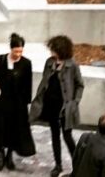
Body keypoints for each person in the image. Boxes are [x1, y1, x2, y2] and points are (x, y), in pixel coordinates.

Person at [32, 35, 82, 177]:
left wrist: (75, 101)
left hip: (65, 107)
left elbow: (80, 84)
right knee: (54, 135)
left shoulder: (72, 65)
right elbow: (45, 81)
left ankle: (77, 164)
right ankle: (58, 165)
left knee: (67, 136)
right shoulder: (49, 62)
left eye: (54, 49)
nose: (51, 52)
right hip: (51, 105)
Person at [0, 35, 35, 171]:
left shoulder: (26, 63)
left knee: (14, 130)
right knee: (0, 128)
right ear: (11, 49)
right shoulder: (0, 60)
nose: (18, 54)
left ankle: (9, 155)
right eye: (16, 51)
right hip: (0, 103)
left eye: (20, 51)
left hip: (17, 105)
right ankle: (1, 155)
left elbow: (28, 84)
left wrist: (26, 103)